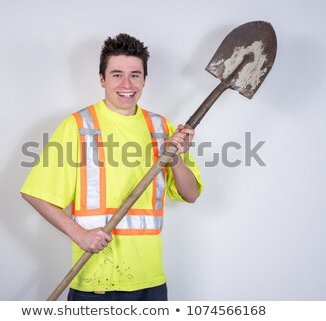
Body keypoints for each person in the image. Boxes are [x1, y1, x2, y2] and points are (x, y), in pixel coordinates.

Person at [21, 33, 202, 301]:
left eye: (135, 75)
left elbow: (191, 193)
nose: (127, 84)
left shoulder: (162, 128)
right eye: (117, 75)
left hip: (150, 280)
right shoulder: (79, 125)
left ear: (144, 80)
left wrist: (174, 157)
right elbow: (34, 193)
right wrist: (79, 235)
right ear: (102, 79)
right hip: (96, 279)